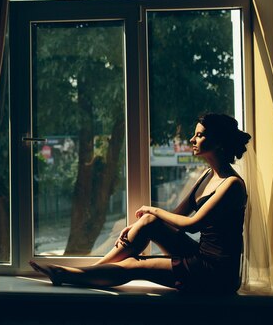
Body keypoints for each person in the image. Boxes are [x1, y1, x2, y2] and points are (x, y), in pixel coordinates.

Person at [30, 113, 251, 294]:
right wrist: (141, 226)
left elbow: (191, 224)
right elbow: (175, 217)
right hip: (199, 254)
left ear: (219, 143)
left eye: (199, 135)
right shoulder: (207, 175)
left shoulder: (232, 185)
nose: (192, 139)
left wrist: (151, 209)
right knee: (149, 221)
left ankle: (72, 275)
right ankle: (89, 272)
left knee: (134, 265)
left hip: (215, 273)